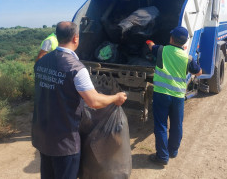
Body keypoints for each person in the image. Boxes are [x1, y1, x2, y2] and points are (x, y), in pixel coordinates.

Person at [32, 21, 127, 179]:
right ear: (76, 38)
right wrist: (116, 98)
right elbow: (93, 102)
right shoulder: (76, 68)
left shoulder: (41, 62)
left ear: (57, 36)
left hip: (43, 136)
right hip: (64, 142)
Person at [146, 26, 202, 166]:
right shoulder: (187, 58)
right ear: (184, 43)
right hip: (177, 96)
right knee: (177, 125)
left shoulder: (161, 50)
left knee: (161, 125)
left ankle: (162, 157)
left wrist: (148, 41)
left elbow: (151, 46)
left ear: (171, 38)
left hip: (161, 95)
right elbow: (199, 72)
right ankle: (173, 151)